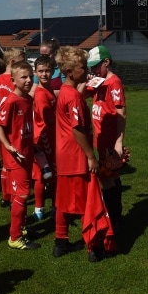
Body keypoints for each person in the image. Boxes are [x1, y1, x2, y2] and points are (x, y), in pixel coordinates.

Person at [53, 46, 107, 261]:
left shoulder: (67, 93)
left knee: (63, 202)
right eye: (82, 68)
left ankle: (60, 242)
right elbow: (77, 129)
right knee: (88, 200)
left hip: (63, 156)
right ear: (68, 71)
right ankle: (93, 247)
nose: (86, 71)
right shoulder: (73, 96)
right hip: (76, 156)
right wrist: (91, 156)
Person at [0, 61, 41, 250]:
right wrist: (8, 146)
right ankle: (14, 238)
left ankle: (21, 228)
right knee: (22, 194)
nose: (29, 80)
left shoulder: (28, 99)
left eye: (30, 76)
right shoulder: (12, 100)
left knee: (19, 194)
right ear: (13, 80)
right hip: (16, 157)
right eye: (24, 77)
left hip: (27, 153)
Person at [85, 45, 127, 234]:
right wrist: (89, 81)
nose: (93, 70)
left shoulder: (114, 83)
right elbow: (81, 94)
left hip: (110, 140)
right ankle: (116, 216)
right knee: (111, 179)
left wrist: (118, 141)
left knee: (108, 180)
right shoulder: (99, 81)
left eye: (96, 66)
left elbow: (121, 112)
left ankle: (114, 219)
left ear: (106, 62)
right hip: (101, 139)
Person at [0, 47, 26, 208]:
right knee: (14, 164)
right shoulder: (11, 81)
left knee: (6, 164)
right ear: (13, 63)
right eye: (22, 61)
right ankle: (13, 195)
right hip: (11, 127)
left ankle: (5, 196)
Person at [31, 55, 57, 221]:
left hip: (46, 136)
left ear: (53, 72)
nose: (44, 74)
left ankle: (45, 208)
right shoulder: (41, 94)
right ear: (35, 72)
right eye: (40, 71)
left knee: (47, 174)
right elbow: (48, 119)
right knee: (47, 174)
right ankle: (43, 208)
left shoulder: (47, 91)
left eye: (47, 71)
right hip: (44, 138)